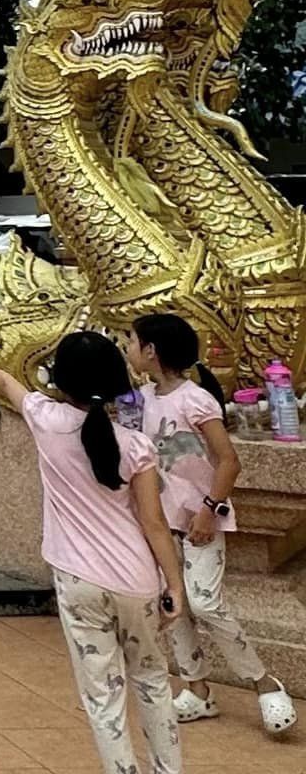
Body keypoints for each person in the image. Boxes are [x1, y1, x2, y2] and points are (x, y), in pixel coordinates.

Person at [0, 332, 187, 774]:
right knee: (153, 679)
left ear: (60, 379)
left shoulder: (45, 419)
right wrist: (174, 584)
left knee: (103, 695)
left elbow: (4, 381)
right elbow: (154, 524)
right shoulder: (135, 446)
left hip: (78, 582)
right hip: (136, 580)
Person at [129, 313, 296, 734]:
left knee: (204, 602)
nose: (128, 348)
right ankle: (197, 690)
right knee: (173, 603)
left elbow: (228, 461)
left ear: (151, 350)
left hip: (201, 520)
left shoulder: (196, 400)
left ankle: (264, 682)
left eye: (131, 341)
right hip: (160, 522)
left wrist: (209, 510)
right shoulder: (141, 399)